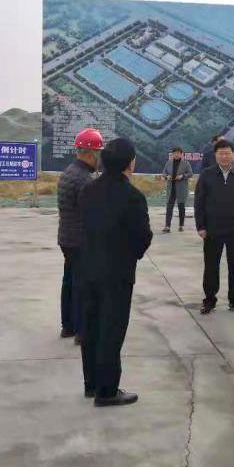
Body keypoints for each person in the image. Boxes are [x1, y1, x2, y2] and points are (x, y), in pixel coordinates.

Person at [77, 137, 153, 406]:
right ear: (130, 163)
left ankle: (91, 384)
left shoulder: (88, 190)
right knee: (111, 328)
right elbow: (142, 237)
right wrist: (132, 255)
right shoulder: (133, 196)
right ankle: (107, 391)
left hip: (87, 268)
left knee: (91, 326)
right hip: (117, 273)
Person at [195, 138, 234, 314]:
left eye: (228, 153)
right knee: (211, 266)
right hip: (212, 229)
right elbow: (199, 202)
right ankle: (209, 300)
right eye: (221, 153)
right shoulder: (207, 175)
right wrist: (201, 226)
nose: (224, 156)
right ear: (216, 155)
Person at [57, 128, 102, 343]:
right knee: (82, 287)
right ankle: (82, 332)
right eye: (99, 153)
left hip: (67, 237)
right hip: (80, 240)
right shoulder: (85, 179)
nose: (100, 159)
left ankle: (68, 326)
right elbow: (92, 214)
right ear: (90, 154)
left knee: (69, 281)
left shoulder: (68, 171)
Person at [161, 147, 193, 233]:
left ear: (182, 154)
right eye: (175, 153)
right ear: (172, 154)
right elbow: (164, 173)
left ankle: (181, 225)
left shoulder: (186, 163)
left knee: (181, 207)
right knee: (169, 207)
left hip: (181, 188)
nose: (176, 155)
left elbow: (190, 173)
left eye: (178, 153)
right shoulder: (169, 162)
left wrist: (182, 176)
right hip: (171, 188)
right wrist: (166, 176)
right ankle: (167, 226)